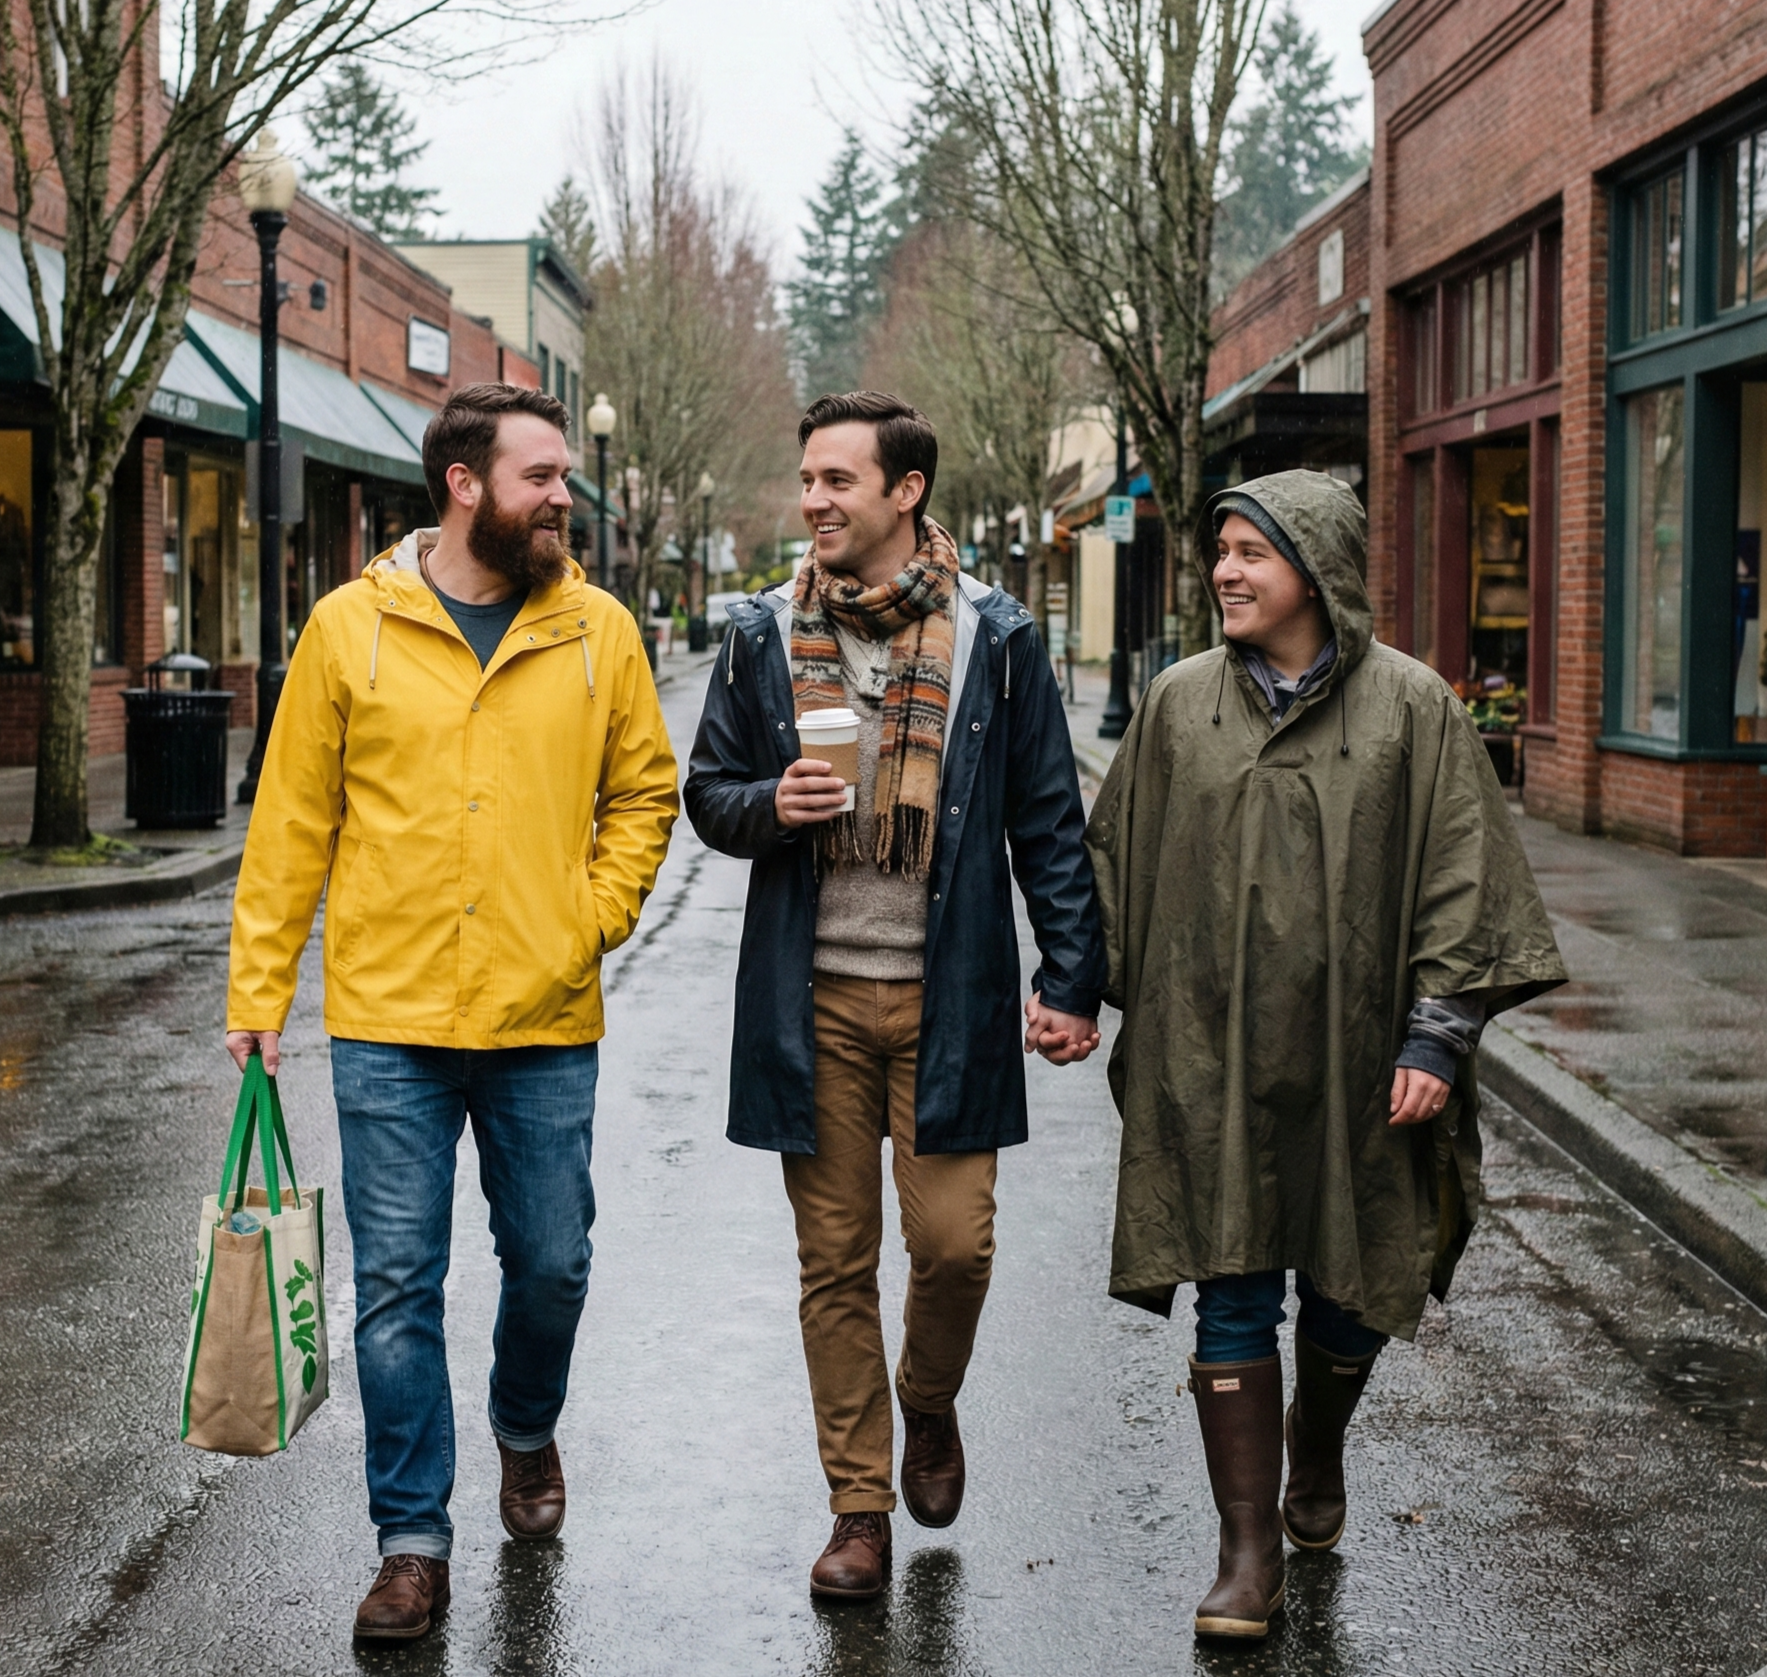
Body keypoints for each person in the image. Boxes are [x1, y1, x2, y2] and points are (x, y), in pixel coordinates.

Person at [225, 383, 678, 1641]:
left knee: (552, 1262)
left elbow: (645, 793)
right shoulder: (349, 629)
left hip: (545, 1015)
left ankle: (524, 1426)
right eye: (542, 476)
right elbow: (291, 823)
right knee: (395, 1289)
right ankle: (412, 1544)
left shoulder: (596, 630)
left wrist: (590, 917)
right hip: (390, 1020)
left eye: (565, 474)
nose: (564, 496)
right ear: (465, 485)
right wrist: (259, 991)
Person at [1086, 469, 1564, 1641]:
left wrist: (1438, 1035)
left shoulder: (1414, 708)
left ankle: (1317, 1442)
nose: (1225, 570)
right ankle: (1247, 1553)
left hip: (1366, 1059)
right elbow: (1112, 863)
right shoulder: (1177, 705)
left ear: (1318, 567)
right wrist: (1069, 988)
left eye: (1251, 551)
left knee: (1355, 1289)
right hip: (1213, 1057)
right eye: (1221, 550)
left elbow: (1463, 874)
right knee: (1233, 1279)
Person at [685, 391, 1106, 1600]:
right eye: (806, 480)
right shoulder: (765, 633)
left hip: (947, 999)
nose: (812, 501)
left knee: (955, 1247)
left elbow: (1047, 820)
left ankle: (927, 1400)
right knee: (835, 1262)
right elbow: (708, 793)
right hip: (809, 1000)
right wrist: (770, 806)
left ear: (905, 491)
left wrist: (1071, 977)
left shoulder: (995, 636)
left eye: (837, 481)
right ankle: (858, 1508)